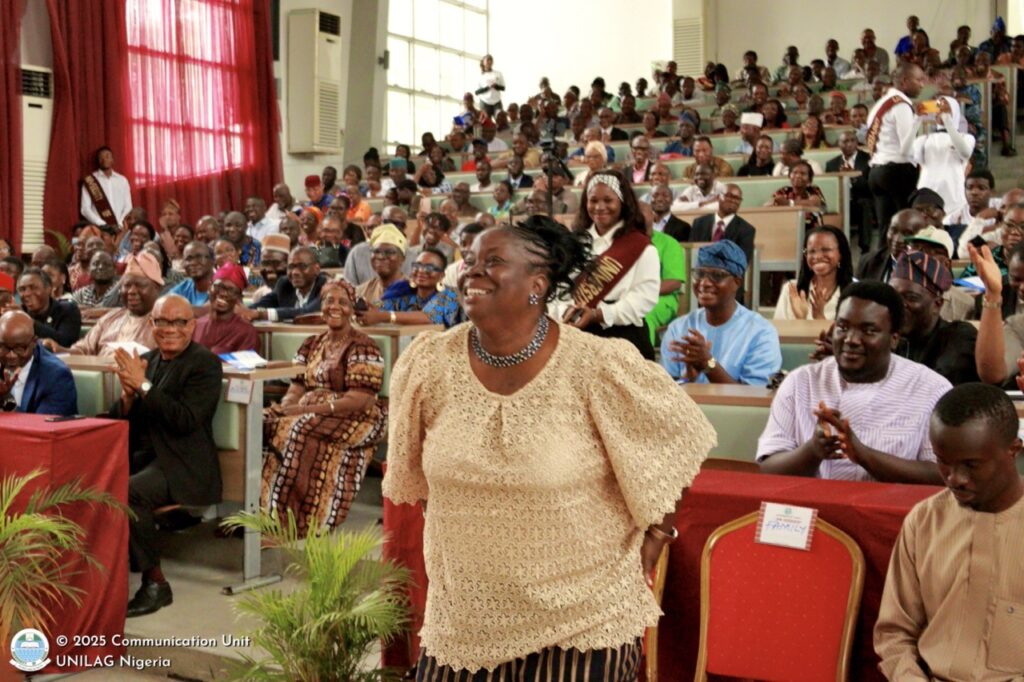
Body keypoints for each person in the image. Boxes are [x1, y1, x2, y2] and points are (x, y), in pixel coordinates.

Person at [383, 216, 716, 680]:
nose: (471, 272)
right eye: (471, 260)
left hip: (582, 623)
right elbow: (418, 487)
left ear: (537, 284)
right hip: (464, 622)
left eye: (493, 262)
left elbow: (677, 442)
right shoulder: (428, 365)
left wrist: (658, 537)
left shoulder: (597, 365)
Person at [874, 383, 1024, 681]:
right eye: (943, 462)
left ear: (1013, 451)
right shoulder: (924, 520)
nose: (955, 479)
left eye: (971, 465)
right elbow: (894, 634)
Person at [757, 281, 951, 483]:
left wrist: (864, 455)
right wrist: (812, 450)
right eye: (843, 327)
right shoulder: (800, 382)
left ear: (894, 338)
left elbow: (941, 474)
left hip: (888, 511)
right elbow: (769, 468)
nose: (851, 339)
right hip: (810, 510)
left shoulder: (931, 388)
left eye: (868, 331)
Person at [109, 294, 223, 617]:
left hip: (184, 463)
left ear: (192, 325)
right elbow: (124, 425)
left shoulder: (205, 364)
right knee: (94, 476)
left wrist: (143, 386)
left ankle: (155, 583)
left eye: (179, 322)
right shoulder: (147, 359)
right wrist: (128, 396)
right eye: (162, 321)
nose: (170, 329)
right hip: (146, 455)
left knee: (130, 492)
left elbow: (185, 420)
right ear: (151, 324)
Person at [262, 279, 387, 539]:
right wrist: (288, 405)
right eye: (329, 301)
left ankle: (297, 523)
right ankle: (262, 516)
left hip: (356, 414)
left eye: (343, 302)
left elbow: (360, 398)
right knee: (263, 422)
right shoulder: (312, 343)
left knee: (298, 431)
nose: (335, 307)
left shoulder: (363, 345)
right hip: (310, 408)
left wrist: (308, 410)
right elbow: (297, 383)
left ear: (352, 308)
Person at [551, 170, 660, 359]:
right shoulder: (575, 243)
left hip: (624, 340)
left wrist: (598, 314)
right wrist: (565, 310)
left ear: (622, 202)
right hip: (577, 338)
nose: (600, 207)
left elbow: (644, 298)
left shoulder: (641, 246)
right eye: (593, 200)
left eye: (608, 200)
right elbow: (557, 290)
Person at [661, 241, 781, 385]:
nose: (704, 283)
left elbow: (753, 398)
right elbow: (664, 392)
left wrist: (708, 364)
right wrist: (688, 379)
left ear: (737, 282)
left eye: (717, 275)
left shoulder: (761, 333)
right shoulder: (678, 328)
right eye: (699, 274)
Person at [889, 252, 979, 385]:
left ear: (937, 304)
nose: (899, 305)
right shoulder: (888, 338)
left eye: (911, 298)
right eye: (894, 297)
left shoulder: (959, 337)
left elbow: (936, 387)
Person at [52, 253, 161, 357]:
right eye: (126, 285)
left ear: (157, 288)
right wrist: (58, 350)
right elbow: (83, 350)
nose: (131, 291)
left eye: (140, 285)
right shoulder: (110, 318)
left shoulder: (163, 324)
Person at [867, 62, 926, 237]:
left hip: (877, 171)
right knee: (906, 227)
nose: (922, 84)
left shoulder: (881, 103)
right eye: (919, 80)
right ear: (905, 81)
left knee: (887, 230)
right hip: (897, 172)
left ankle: (884, 263)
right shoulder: (901, 105)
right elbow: (906, 147)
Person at [356, 248, 462, 328]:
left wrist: (385, 316)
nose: (421, 271)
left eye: (429, 267)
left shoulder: (450, 295)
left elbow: (429, 317)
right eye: (417, 265)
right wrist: (364, 307)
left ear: (442, 275)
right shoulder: (405, 295)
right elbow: (379, 309)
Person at [0, 310, 77, 416]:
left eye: (19, 348)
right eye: (4, 348)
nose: (11, 355)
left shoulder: (56, 376)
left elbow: (41, 428)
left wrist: (6, 399)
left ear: (34, 342)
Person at [911, 97, 975, 222]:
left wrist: (947, 120)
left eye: (945, 108)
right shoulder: (924, 139)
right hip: (928, 196)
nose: (940, 111)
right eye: (938, 108)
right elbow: (910, 154)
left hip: (954, 196)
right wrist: (916, 120)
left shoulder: (966, 138)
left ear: (955, 111)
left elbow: (965, 153)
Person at [775, 226, 852, 320]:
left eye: (826, 250)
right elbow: (778, 332)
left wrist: (820, 317)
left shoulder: (854, 294)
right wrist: (801, 319)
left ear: (841, 254)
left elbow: (851, 334)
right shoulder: (791, 289)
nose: (818, 256)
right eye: (811, 251)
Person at [690, 183, 756, 281]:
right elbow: (693, 254)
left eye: (737, 198)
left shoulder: (747, 230)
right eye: (729, 196)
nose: (733, 200)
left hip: (729, 282)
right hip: (700, 279)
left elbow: (741, 263)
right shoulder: (699, 223)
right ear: (718, 197)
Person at [244, 246, 327, 322]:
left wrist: (260, 314)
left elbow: (308, 313)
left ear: (317, 269)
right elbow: (262, 304)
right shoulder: (284, 284)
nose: (295, 272)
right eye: (291, 267)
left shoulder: (326, 286)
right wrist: (243, 311)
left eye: (302, 266)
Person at [192, 262, 259, 355]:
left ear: (238, 298)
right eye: (219, 287)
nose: (223, 293)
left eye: (231, 290)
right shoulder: (195, 326)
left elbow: (246, 367)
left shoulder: (246, 332)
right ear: (209, 288)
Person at [827, 130, 874, 250]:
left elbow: (871, 187)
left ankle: (865, 247)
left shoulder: (869, 160)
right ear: (839, 144)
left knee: (864, 204)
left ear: (857, 143)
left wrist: (853, 178)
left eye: (853, 141)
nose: (849, 144)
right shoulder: (831, 164)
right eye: (845, 141)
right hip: (842, 202)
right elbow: (830, 189)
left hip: (862, 201)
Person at [856, 209, 926, 283]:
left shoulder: (929, 270)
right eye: (893, 230)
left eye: (907, 234)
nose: (897, 240)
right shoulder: (869, 262)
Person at [17, 267, 81, 348]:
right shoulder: (18, 312)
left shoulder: (67, 309)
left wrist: (28, 321)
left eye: (33, 288)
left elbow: (65, 342)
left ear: (49, 289)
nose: (27, 294)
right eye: (22, 289)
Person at [644, 228, 685, 346]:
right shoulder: (620, 241)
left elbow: (674, 282)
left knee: (642, 316)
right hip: (624, 297)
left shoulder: (668, 243)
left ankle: (644, 361)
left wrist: (640, 293)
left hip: (661, 299)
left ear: (653, 216)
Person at [355, 224, 408, 308]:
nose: (380, 256)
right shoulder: (361, 292)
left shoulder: (415, 291)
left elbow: (433, 315)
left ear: (402, 259)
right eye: (376, 251)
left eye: (389, 252)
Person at [80, 145, 133, 228]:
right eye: (101, 157)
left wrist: (120, 222)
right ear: (98, 161)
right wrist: (102, 224)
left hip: (120, 227)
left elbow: (128, 206)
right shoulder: (90, 181)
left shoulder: (122, 180)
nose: (104, 159)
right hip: (99, 228)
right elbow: (85, 209)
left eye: (107, 156)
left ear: (113, 160)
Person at [167, 241, 215, 306]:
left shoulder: (222, 286)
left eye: (199, 257)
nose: (193, 263)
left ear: (212, 261)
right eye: (188, 259)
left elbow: (205, 311)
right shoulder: (184, 288)